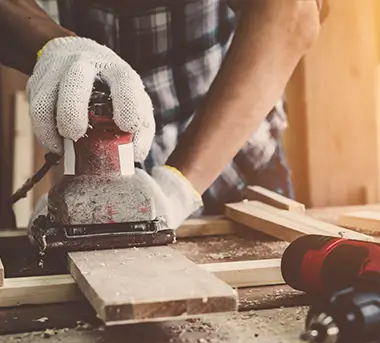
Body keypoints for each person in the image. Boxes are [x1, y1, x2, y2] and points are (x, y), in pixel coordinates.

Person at [0, 0, 323, 229]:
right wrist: (52, 46)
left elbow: (292, 12)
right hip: (99, 190)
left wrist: (177, 188)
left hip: (235, 173)